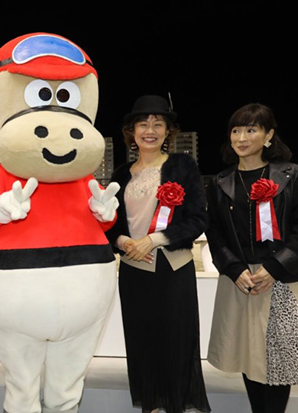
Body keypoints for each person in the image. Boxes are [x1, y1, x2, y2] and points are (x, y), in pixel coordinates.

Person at [205, 102, 298, 412]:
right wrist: (233, 269)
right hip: (242, 281)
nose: (242, 138)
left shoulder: (292, 175)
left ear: (269, 135)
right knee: (249, 355)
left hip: (282, 279)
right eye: (236, 130)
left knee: (281, 359)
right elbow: (214, 232)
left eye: (251, 130)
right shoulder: (220, 182)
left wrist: (274, 268)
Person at [105, 95, 212, 412]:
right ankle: (150, 405)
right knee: (142, 342)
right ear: (132, 131)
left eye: (157, 124)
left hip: (173, 269)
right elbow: (108, 223)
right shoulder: (121, 173)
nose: (149, 130)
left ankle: (176, 405)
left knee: (176, 343)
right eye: (143, 124)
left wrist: (152, 240)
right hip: (133, 270)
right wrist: (124, 242)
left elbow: (197, 219)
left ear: (168, 131)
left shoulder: (182, 166)